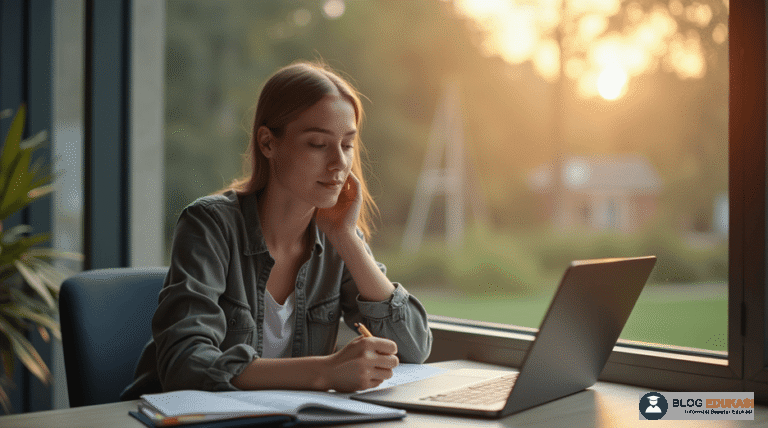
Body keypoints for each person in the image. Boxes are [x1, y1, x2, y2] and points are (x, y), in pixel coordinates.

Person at [121, 61, 432, 399]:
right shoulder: (209, 225)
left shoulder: (336, 237)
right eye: (318, 144)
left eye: (347, 144)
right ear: (268, 143)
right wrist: (324, 372)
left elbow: (413, 348)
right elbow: (184, 365)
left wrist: (347, 239)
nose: (340, 163)